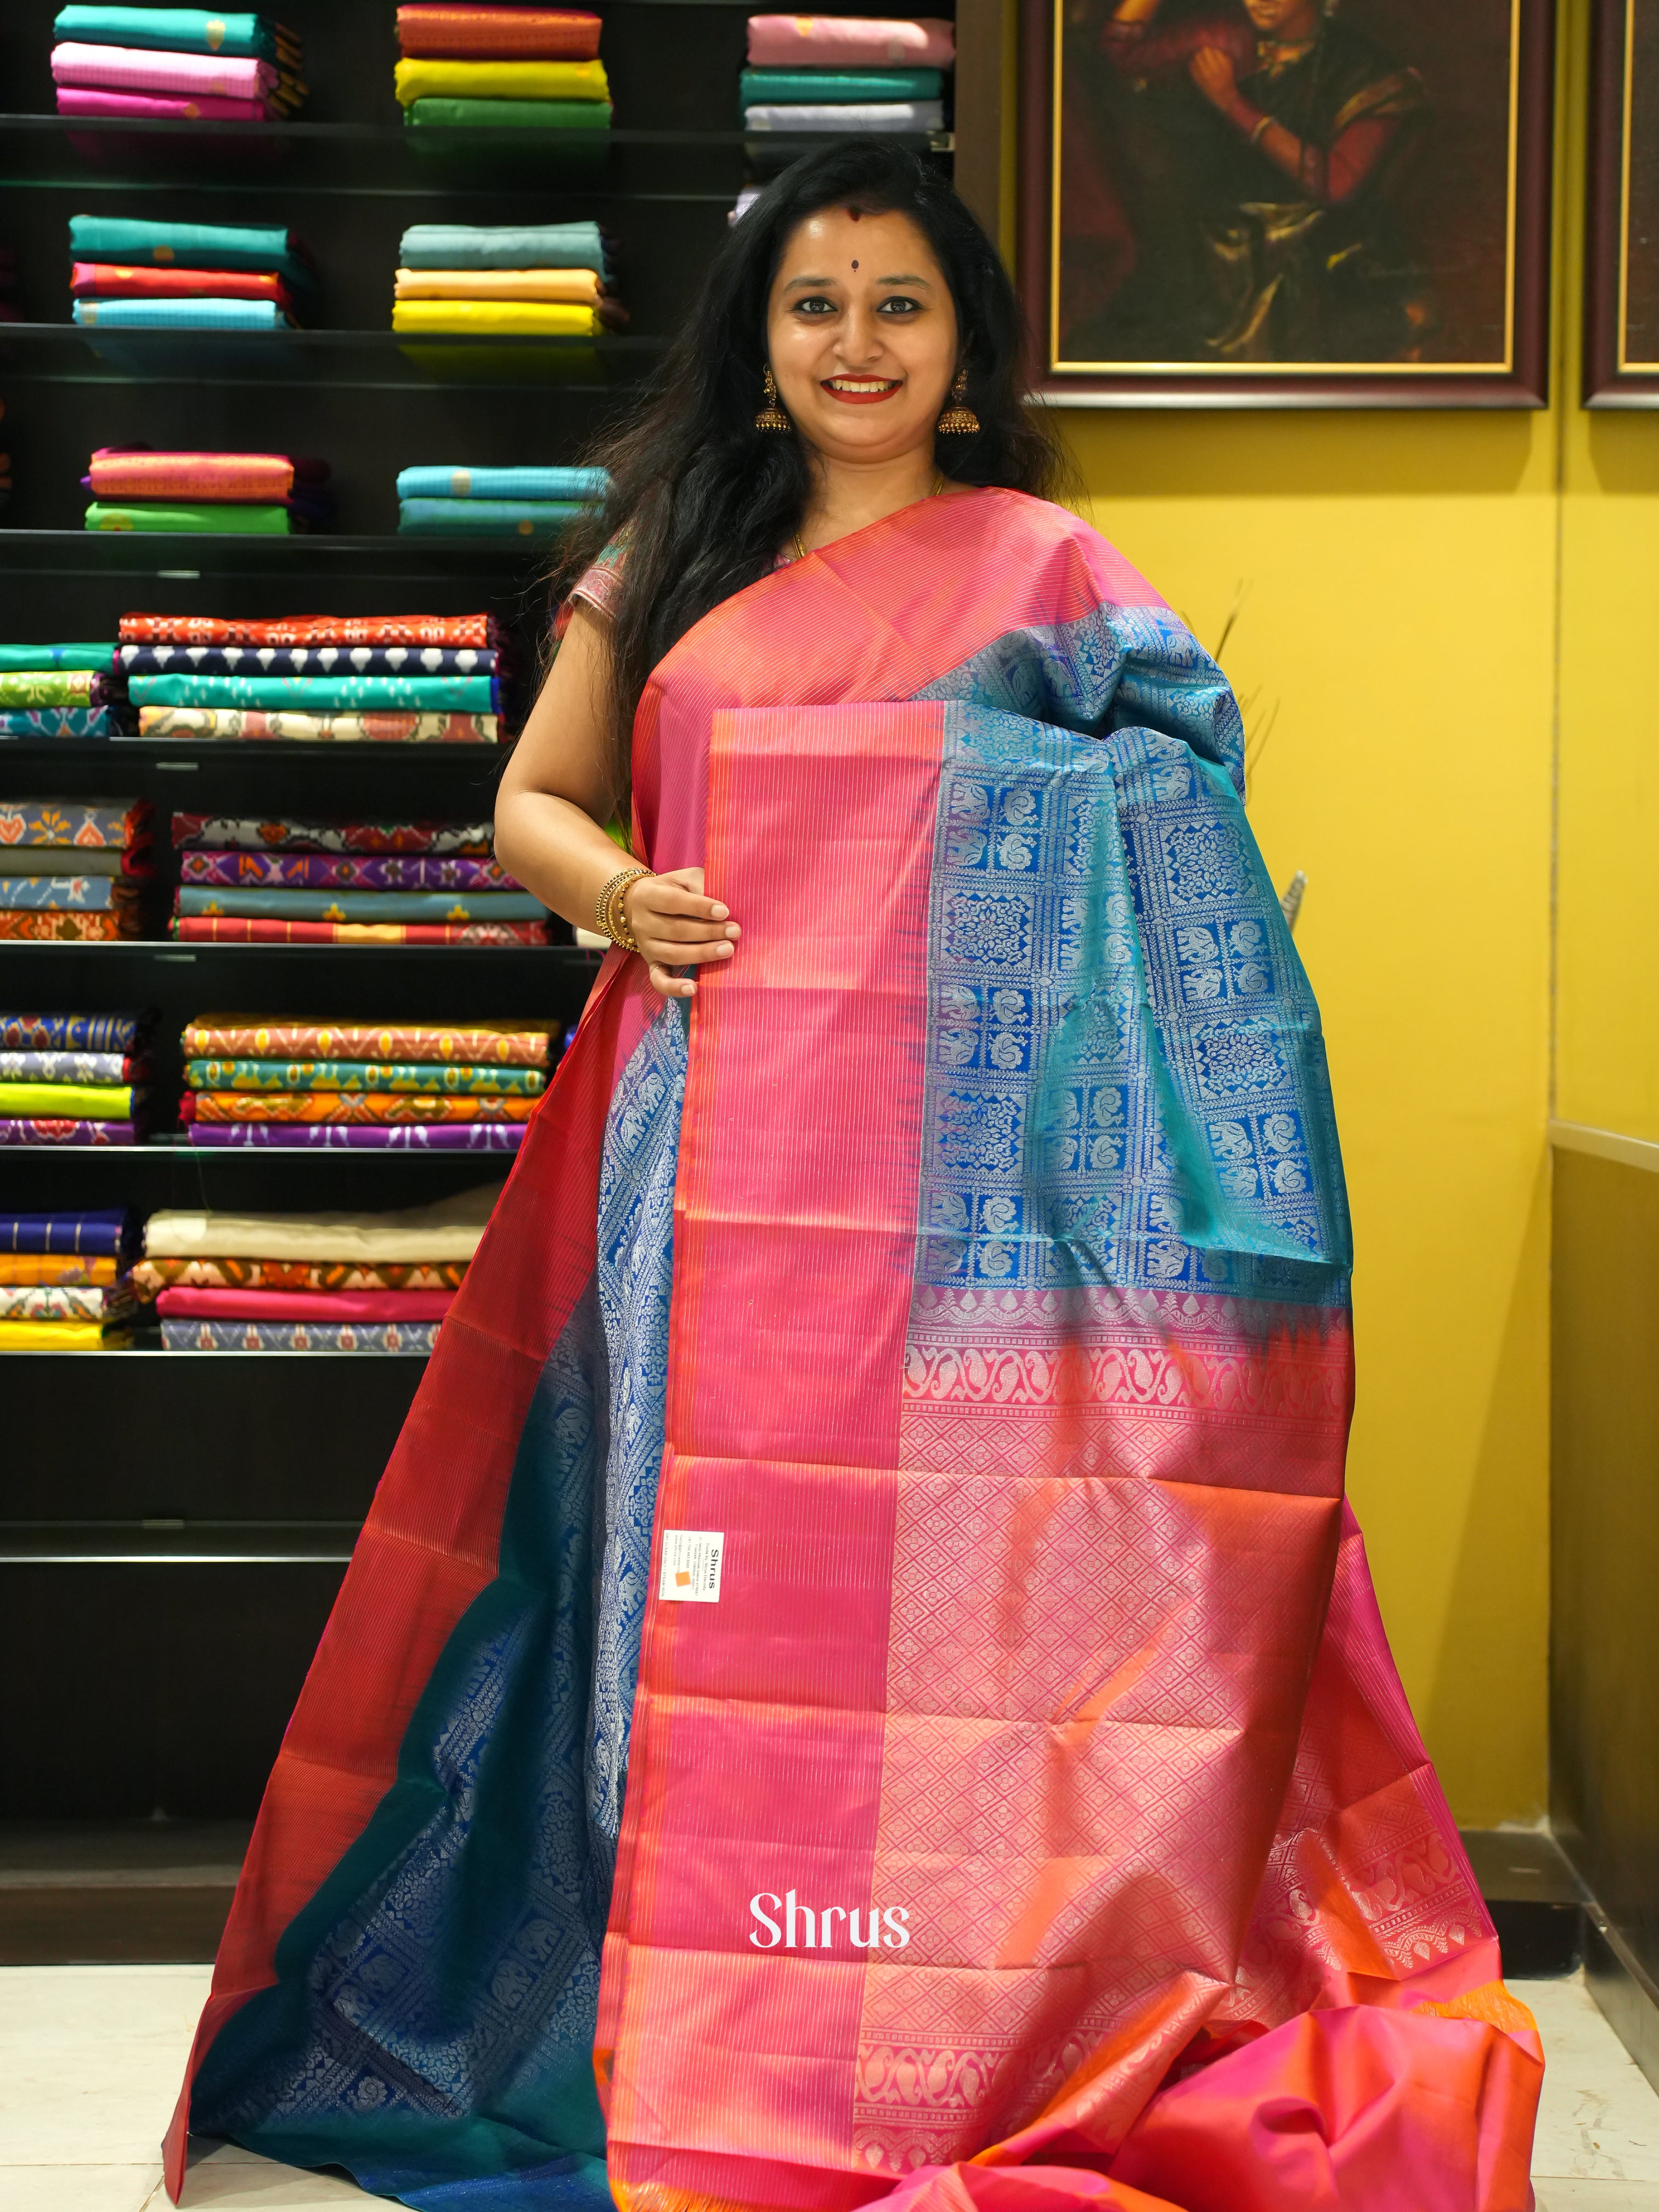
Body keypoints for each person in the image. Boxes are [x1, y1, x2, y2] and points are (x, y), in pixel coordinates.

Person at [165, 140, 1538, 2211]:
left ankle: (948, 2024)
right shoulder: (674, 555)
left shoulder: (1049, 574)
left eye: (897, 301)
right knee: (684, 1586)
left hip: (980, 1183)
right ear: (757, 342)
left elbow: (1179, 836)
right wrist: (626, 890)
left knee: (958, 1604)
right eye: (814, 302)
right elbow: (529, 802)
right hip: (707, 1154)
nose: (854, 341)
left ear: (964, 342)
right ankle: (696, 2022)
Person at [1068, 0, 1431, 362]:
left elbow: (1335, 183)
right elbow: (1116, 54)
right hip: (1216, 258)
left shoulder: (1367, 71)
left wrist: (1231, 103)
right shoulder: (1225, 36)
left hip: (1316, 261)